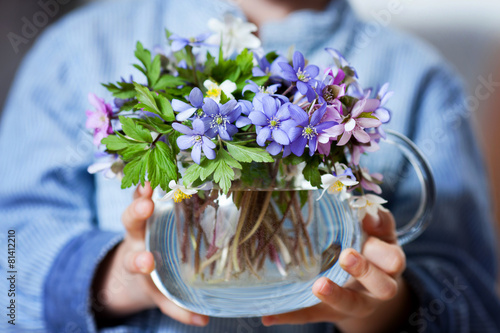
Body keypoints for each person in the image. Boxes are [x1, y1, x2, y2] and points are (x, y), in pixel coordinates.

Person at [1, 0, 499, 332]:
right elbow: (8, 268)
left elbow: (479, 305)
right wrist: (121, 275)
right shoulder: (77, 50)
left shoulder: (422, 79)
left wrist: (387, 310)